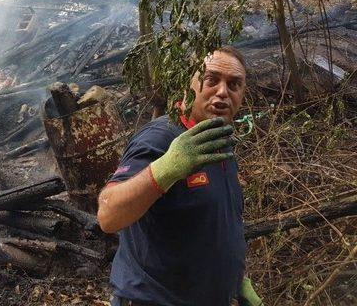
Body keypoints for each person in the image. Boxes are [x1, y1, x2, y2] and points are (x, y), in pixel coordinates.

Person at [97, 46, 262, 306]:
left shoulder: (217, 140)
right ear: (189, 85)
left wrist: (237, 280)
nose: (222, 92)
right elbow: (108, 215)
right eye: (212, 80)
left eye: (234, 84)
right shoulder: (161, 137)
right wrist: (165, 169)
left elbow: (217, 222)